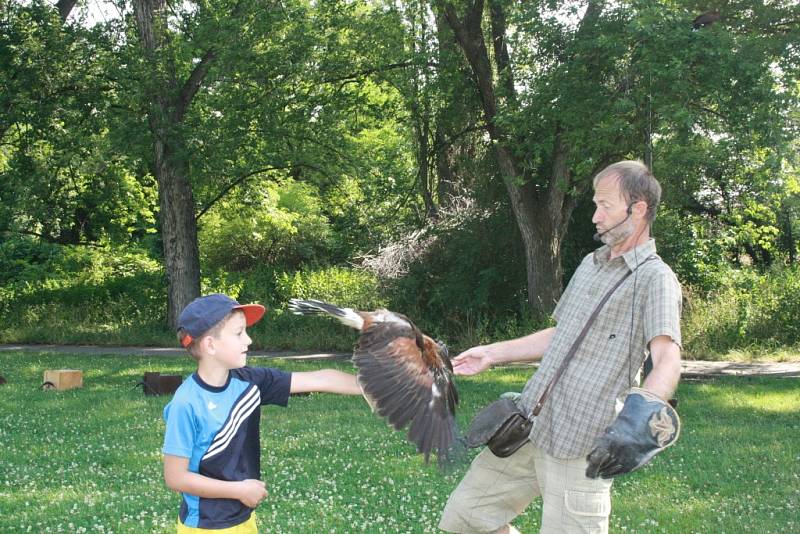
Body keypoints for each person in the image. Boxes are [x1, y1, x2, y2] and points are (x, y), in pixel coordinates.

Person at [439, 161, 682, 534]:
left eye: (605, 206)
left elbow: (667, 356)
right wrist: (493, 352)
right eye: (595, 205)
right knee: (465, 518)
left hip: (582, 443)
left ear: (638, 209)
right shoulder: (591, 264)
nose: (595, 217)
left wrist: (639, 421)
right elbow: (560, 334)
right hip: (528, 426)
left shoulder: (656, 279)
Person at [162, 293, 362, 533]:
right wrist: (239, 490)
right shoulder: (186, 404)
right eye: (239, 333)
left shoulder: (251, 382)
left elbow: (321, 378)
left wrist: (383, 385)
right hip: (205, 526)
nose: (249, 340)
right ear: (210, 345)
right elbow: (176, 478)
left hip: (244, 519)